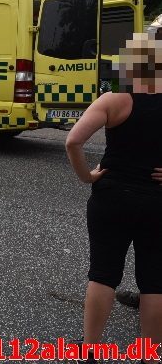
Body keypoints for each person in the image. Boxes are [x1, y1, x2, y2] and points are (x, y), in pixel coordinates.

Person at [65, 32, 162, 363]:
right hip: (157, 202)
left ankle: (90, 350)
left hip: (112, 198)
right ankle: (149, 355)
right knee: (154, 281)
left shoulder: (114, 99)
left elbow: (73, 142)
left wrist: (87, 176)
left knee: (103, 274)